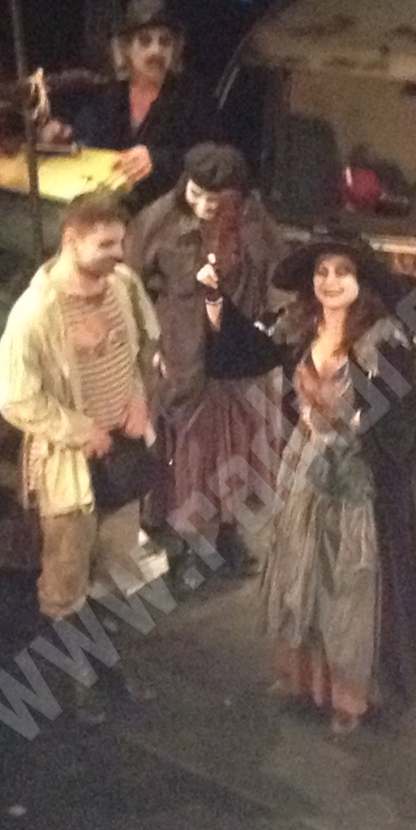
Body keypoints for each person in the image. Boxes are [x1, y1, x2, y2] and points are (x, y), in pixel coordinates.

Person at [203, 236, 416, 734]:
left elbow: (401, 418)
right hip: (306, 466)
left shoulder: (385, 342)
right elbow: (246, 352)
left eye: (342, 272)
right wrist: (216, 301)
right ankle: (307, 681)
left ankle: (349, 695)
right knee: (304, 575)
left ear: (361, 282)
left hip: (359, 480)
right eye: (322, 272)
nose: (330, 281)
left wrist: (361, 446)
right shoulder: (300, 329)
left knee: (348, 584)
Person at [0, 192, 163, 721]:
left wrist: (139, 397)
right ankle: (77, 678)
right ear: (71, 240)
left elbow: (146, 347)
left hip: (121, 457)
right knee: (66, 579)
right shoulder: (37, 313)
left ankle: (109, 665)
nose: (118, 253)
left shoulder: (124, 285)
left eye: (120, 242)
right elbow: (14, 396)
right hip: (70, 467)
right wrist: (78, 429)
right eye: (105, 244)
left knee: (116, 565)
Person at [128, 144, 291, 573]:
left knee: (230, 445)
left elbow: (279, 273)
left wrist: (271, 323)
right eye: (197, 194)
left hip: (232, 352)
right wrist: (148, 346)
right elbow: (130, 284)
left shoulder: (251, 220)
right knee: (182, 448)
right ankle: (177, 538)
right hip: (179, 348)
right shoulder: (159, 219)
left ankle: (225, 532)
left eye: (215, 200)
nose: (203, 206)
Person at [41, 0, 218, 211]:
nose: (156, 51)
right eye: (145, 41)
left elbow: (212, 158)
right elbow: (89, 137)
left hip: (169, 210)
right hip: (111, 207)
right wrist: (64, 139)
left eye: (165, 42)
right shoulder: (111, 94)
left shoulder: (193, 96)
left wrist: (157, 160)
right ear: (126, 49)